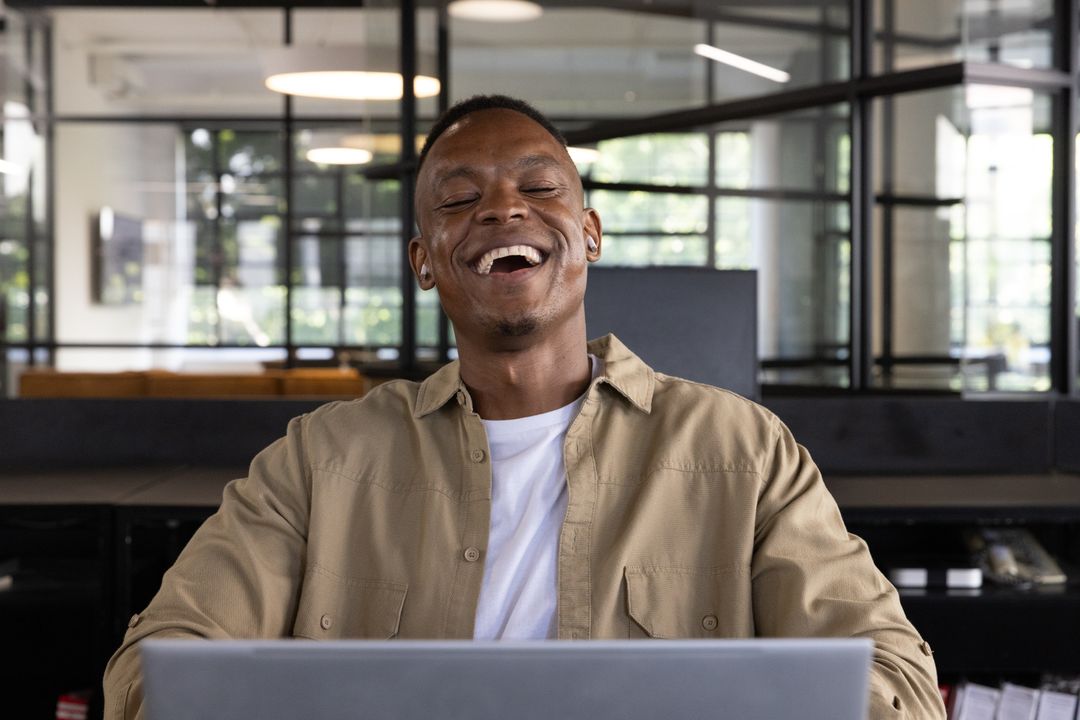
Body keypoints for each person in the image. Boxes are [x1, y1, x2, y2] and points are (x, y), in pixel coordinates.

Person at [104, 95, 945, 719]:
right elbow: (152, 671)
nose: (504, 209)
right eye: (460, 200)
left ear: (589, 232)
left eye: (538, 188)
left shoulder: (742, 449)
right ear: (424, 260)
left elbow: (897, 684)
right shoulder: (320, 458)